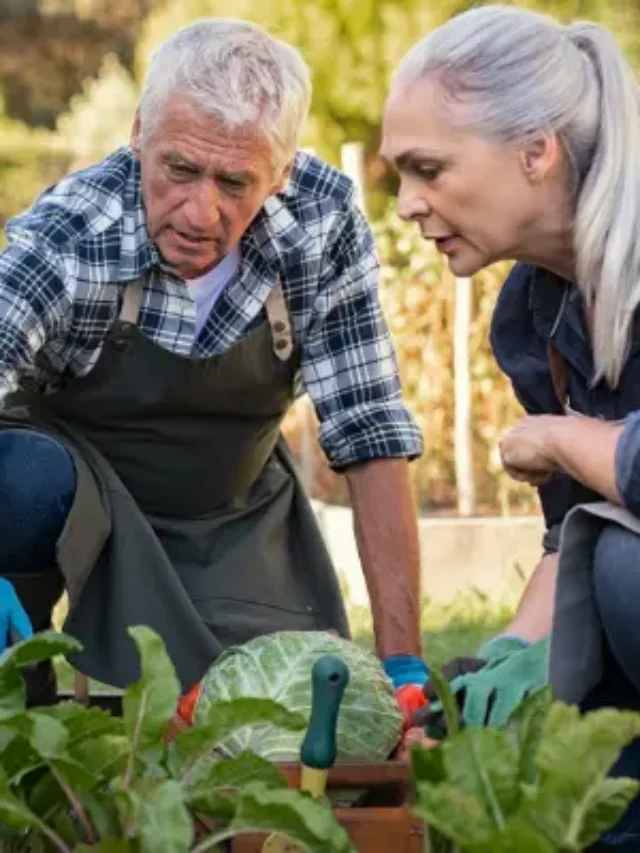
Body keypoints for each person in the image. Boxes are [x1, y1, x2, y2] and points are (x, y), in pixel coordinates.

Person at [0, 18, 428, 720]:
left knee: (263, 727)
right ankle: (21, 704)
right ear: (140, 132)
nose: (200, 212)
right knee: (18, 479)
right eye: (179, 169)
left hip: (230, 503)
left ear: (283, 172)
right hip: (77, 497)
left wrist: (403, 658)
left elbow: (370, 426)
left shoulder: (322, 223)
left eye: (235, 181)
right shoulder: (76, 230)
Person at [381, 3, 640, 847]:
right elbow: (573, 534)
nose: (410, 206)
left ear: (536, 151)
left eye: (429, 168)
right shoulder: (532, 312)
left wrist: (565, 438)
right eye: (397, 176)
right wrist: (497, 660)